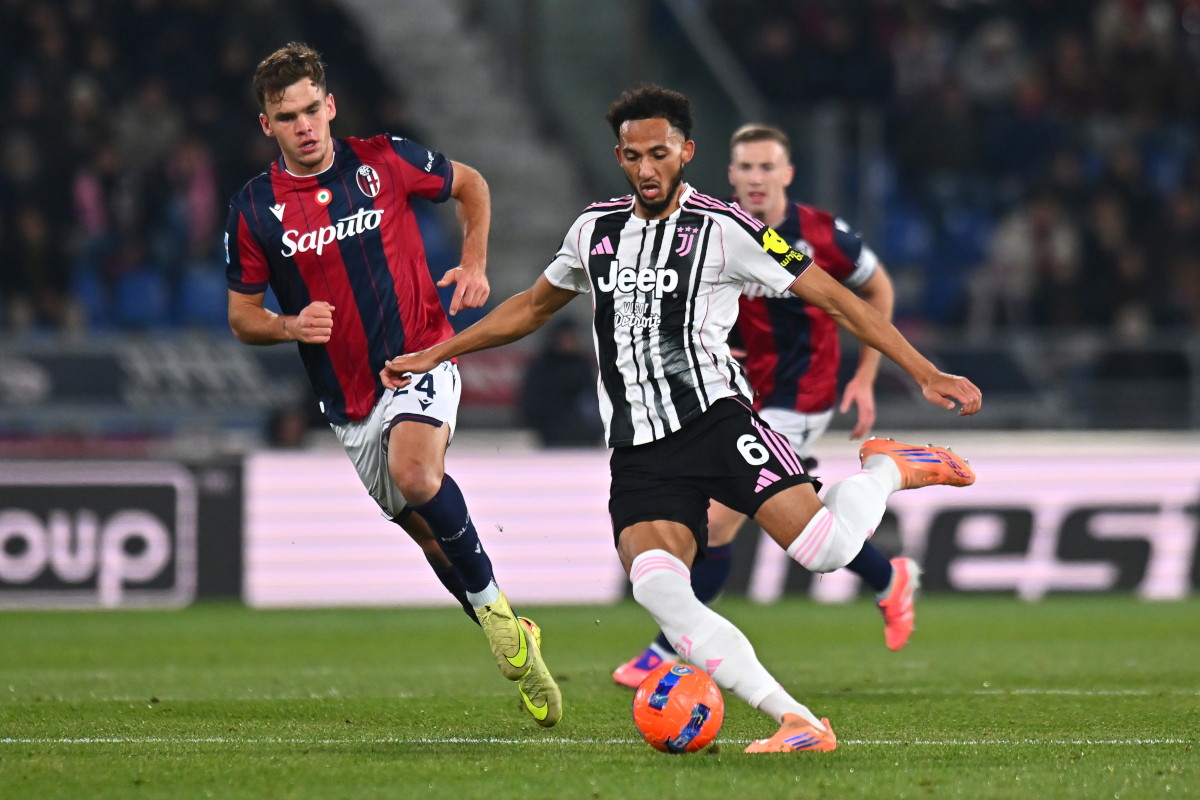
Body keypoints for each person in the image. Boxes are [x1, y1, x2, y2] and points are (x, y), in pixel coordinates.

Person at [382, 86, 981, 753]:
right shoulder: (594, 231)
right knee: (661, 591)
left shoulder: (726, 230)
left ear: (686, 153)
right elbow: (529, 307)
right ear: (619, 157)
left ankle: (886, 468)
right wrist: (439, 350)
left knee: (828, 553)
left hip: (717, 427)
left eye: (660, 154)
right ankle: (799, 721)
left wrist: (923, 370)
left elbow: (837, 299)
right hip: (639, 453)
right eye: (633, 156)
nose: (646, 169)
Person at [223, 43, 560, 727]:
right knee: (432, 540)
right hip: (346, 407)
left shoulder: (384, 160)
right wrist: (290, 326)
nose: (305, 126)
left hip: (420, 360)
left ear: (331, 105)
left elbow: (473, 185)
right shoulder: (255, 211)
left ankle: (497, 625)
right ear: (268, 126)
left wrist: (473, 261)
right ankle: (511, 631)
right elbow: (241, 318)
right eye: (287, 117)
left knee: (417, 474)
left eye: (312, 109)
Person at [611, 123, 911, 689]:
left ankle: (664, 651)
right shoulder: (713, 228)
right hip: (733, 392)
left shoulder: (823, 233)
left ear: (787, 174)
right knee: (777, 527)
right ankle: (886, 576)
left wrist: (868, 377)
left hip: (800, 394)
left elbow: (878, 291)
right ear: (730, 174)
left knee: (721, 521)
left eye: (766, 167)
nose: (755, 178)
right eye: (745, 167)